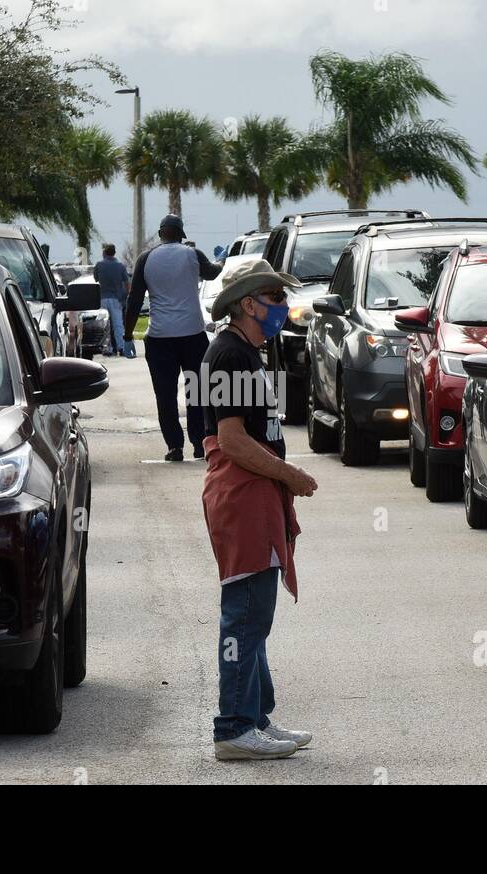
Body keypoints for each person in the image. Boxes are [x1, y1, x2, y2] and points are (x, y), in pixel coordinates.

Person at [201, 258, 318, 761]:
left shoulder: (247, 353)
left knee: (256, 613)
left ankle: (256, 718)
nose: (282, 308)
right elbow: (231, 440)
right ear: (248, 303)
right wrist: (290, 474)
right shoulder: (229, 354)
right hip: (243, 495)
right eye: (273, 298)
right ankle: (233, 727)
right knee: (245, 613)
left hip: (257, 494)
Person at [125, 214, 223, 462]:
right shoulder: (193, 254)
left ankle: (174, 446)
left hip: (159, 339)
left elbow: (135, 299)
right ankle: (201, 444)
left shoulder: (145, 259)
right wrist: (221, 262)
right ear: (181, 235)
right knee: (198, 392)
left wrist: (127, 333)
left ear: (160, 234)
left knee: (165, 395)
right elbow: (211, 273)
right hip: (193, 335)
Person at [92, 244, 133, 358]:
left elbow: (96, 279)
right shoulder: (120, 266)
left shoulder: (99, 265)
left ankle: (108, 348)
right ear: (114, 253)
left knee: (105, 325)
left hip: (102, 298)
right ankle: (121, 347)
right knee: (118, 324)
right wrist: (127, 294)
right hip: (116, 298)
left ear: (104, 252)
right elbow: (127, 282)